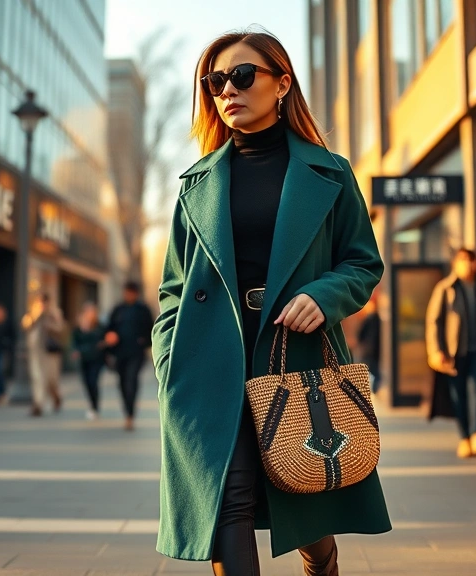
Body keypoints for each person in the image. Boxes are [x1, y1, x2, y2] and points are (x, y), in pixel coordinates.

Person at [151, 30, 390, 574]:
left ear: (282, 83)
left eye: (242, 75)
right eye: (215, 82)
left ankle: (321, 563)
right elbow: (173, 289)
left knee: (304, 499)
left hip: (297, 354)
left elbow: (363, 263)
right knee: (228, 502)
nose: (227, 90)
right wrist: (169, 361)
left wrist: (323, 295)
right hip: (209, 365)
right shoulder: (197, 183)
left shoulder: (329, 172)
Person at [425, 248, 476, 459]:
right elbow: (434, 321)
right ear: (455, 264)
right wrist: (436, 351)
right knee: (458, 396)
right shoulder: (446, 288)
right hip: (454, 353)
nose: (468, 265)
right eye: (463, 260)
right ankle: (465, 439)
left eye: (471, 260)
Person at [106, 281, 153, 431]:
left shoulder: (143, 310)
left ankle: (130, 416)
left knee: (131, 381)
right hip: (120, 353)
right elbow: (109, 328)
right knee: (122, 384)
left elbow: (152, 329)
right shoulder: (118, 309)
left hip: (136, 354)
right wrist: (110, 338)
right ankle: (127, 411)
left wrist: (144, 342)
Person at [22, 294, 64, 417]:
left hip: (50, 352)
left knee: (51, 379)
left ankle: (56, 396)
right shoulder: (33, 313)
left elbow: (60, 328)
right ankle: (38, 404)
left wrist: (49, 324)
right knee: (37, 377)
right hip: (36, 351)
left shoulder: (54, 313)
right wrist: (35, 315)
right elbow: (25, 325)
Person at [72, 302, 106, 420]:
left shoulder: (99, 326)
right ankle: (92, 405)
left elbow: (103, 339)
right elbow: (75, 340)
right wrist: (75, 350)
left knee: (93, 381)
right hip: (84, 358)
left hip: (96, 359)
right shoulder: (79, 326)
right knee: (86, 383)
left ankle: (95, 406)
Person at [357, 294, 382, 394]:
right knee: (374, 371)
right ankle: (374, 390)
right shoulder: (374, 318)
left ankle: (374, 390)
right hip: (373, 349)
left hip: (371, 349)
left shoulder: (374, 318)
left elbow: (361, 334)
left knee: (373, 371)